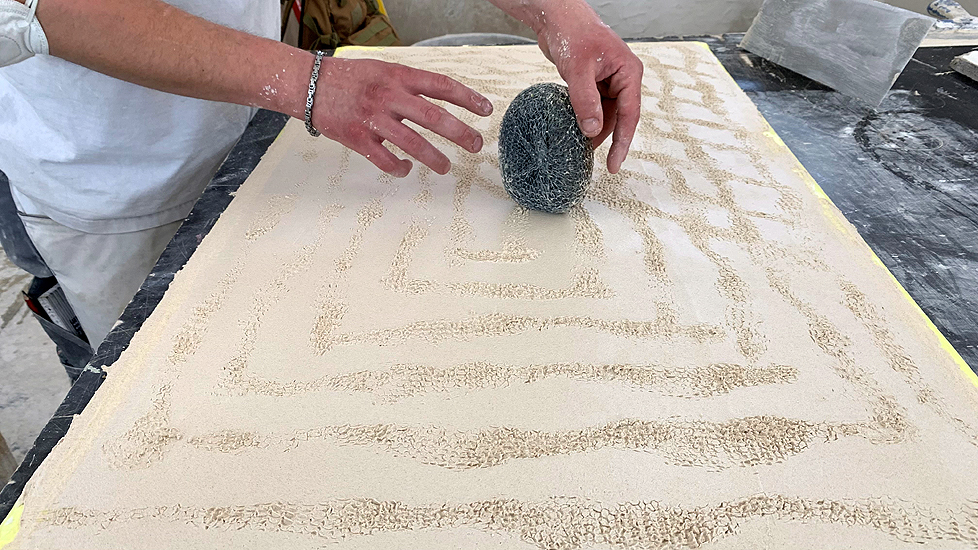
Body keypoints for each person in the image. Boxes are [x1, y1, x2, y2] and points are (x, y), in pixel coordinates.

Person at [0, 0, 643, 366]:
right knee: (168, 390)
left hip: (263, 130)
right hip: (118, 177)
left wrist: (554, 11)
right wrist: (309, 83)